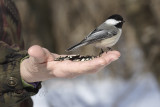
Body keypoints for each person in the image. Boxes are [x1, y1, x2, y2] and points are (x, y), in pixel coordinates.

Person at [0, 0, 120, 106]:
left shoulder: (9, 6)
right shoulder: (114, 29)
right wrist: (20, 71)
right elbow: (99, 35)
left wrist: (21, 71)